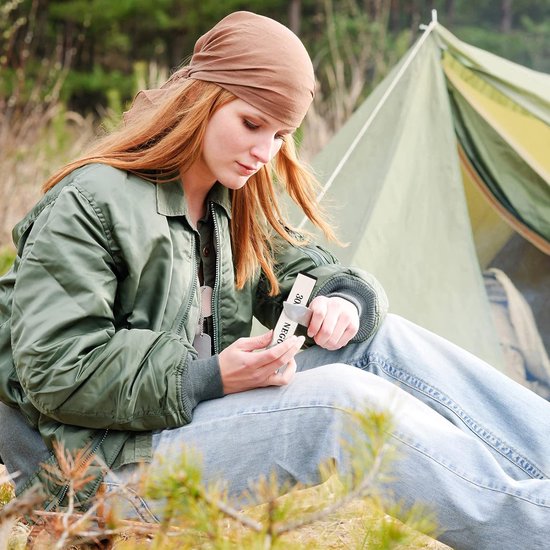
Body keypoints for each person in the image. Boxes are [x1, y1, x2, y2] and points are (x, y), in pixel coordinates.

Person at [0, 11, 548, 549]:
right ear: (201, 100)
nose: (265, 153)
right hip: (95, 471)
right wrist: (212, 377)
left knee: (379, 339)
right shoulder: (91, 203)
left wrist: (345, 301)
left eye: (281, 134)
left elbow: (309, 270)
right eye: (251, 123)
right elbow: (54, 369)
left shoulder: (229, 201)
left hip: (175, 427)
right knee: (342, 405)